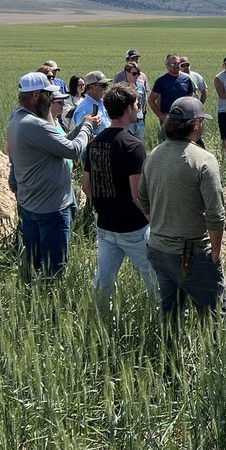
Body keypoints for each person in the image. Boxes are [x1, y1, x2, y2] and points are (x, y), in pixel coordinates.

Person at [136, 97, 226, 331]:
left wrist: (159, 225)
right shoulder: (204, 161)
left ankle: (170, 363)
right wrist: (215, 253)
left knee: (171, 315)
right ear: (195, 124)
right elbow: (215, 215)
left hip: (158, 250)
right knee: (213, 318)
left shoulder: (154, 155)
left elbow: (142, 199)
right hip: (193, 252)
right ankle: (213, 364)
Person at [7, 71, 100, 278]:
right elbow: (72, 150)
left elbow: (58, 144)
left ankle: (32, 298)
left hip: (31, 203)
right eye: (49, 96)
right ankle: (50, 303)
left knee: (33, 262)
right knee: (54, 267)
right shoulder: (35, 124)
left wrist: (79, 130)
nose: (51, 101)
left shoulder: (18, 119)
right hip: (50, 208)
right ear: (36, 95)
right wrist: (86, 126)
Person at [82, 83, 155, 303]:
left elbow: (86, 187)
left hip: (105, 225)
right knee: (155, 280)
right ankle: (163, 326)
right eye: (135, 104)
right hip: (133, 228)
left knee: (103, 284)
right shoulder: (133, 146)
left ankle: (100, 323)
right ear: (128, 109)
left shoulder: (94, 144)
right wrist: (153, 221)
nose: (138, 107)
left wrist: (107, 205)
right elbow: (137, 195)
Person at [148, 54, 196, 127]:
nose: (175, 66)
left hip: (184, 118)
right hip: (168, 118)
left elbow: (191, 98)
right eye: (172, 64)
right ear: (167, 65)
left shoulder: (186, 79)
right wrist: (162, 117)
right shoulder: (161, 81)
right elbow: (151, 100)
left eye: (177, 63)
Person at [121, 62, 148, 140]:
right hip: (127, 122)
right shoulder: (121, 87)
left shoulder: (141, 86)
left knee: (139, 145)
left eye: (138, 73)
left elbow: (143, 101)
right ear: (127, 73)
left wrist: (142, 115)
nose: (136, 76)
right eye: (134, 73)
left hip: (139, 121)